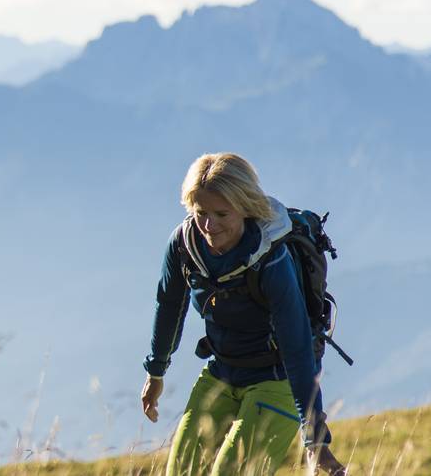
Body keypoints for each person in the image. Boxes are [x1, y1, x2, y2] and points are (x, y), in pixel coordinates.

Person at [139, 153, 348, 475]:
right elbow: (169, 306)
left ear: (245, 208)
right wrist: (156, 371)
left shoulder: (271, 260)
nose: (209, 225)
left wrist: (315, 439)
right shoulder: (183, 244)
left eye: (222, 213)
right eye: (200, 212)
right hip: (221, 371)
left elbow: (297, 346)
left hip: (276, 382)